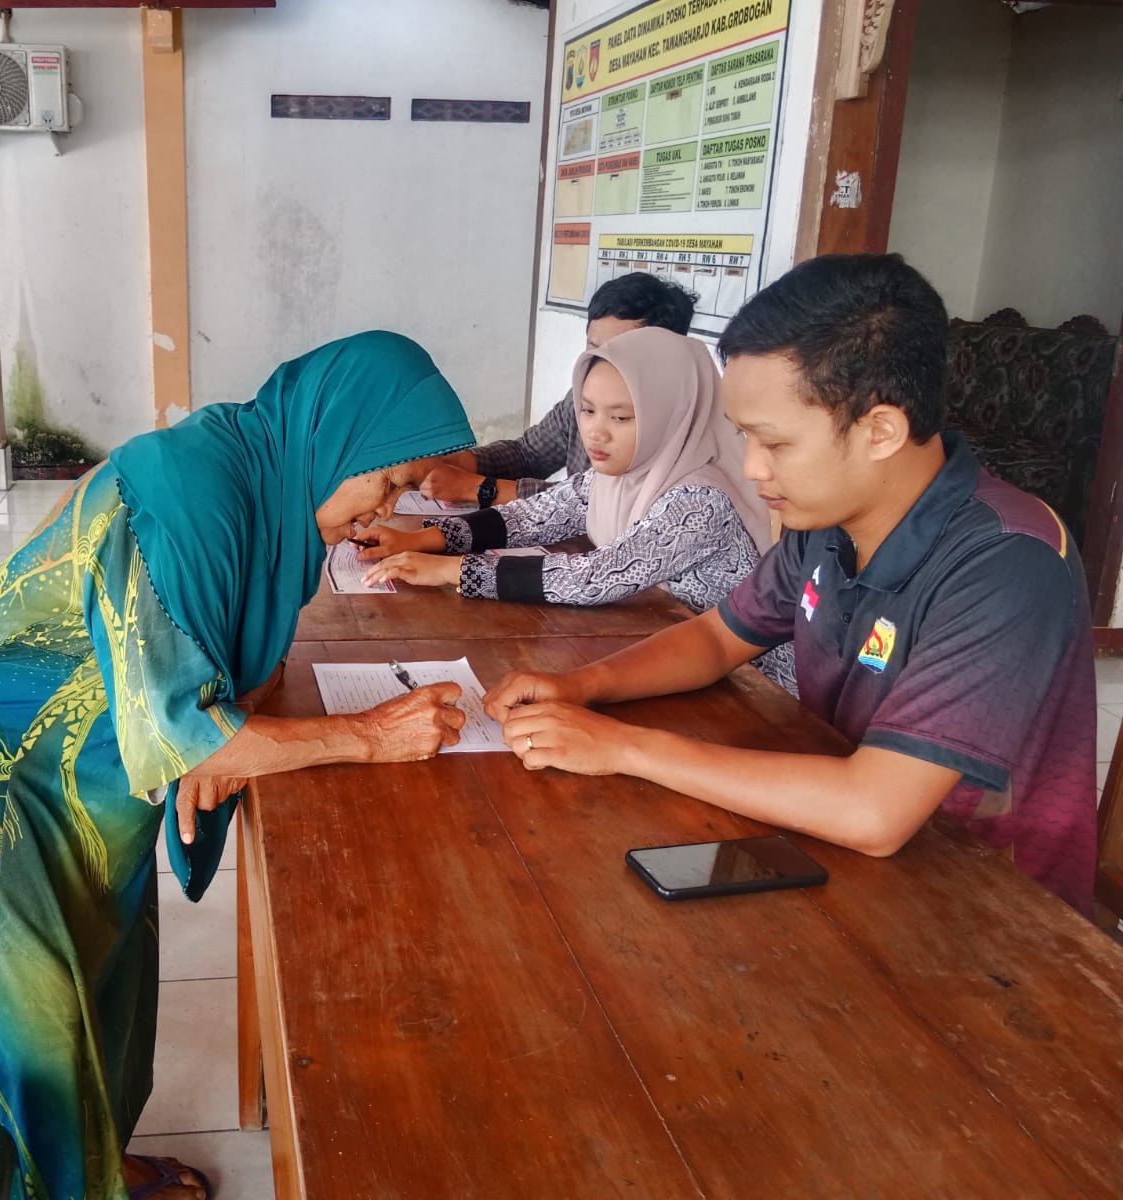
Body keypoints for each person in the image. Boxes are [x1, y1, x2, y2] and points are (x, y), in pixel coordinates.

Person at [0, 331, 474, 1199]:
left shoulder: (272, 478)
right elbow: (190, 733)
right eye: (386, 483)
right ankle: (45, 1187)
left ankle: (96, 1167)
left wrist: (224, 727)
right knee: (34, 995)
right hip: (20, 750)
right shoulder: (195, 493)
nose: (380, 514)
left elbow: (240, 662)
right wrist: (366, 735)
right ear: (340, 435)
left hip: (106, 740)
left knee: (108, 966)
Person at [484, 254, 1098, 914]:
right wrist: (581, 687)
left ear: (880, 430)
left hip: (984, 906)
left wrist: (623, 747)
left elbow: (874, 811)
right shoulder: (827, 520)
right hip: (833, 841)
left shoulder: (1008, 560)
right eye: (745, 437)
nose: (752, 469)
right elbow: (718, 639)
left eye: (774, 444)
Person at [360, 327, 794, 690]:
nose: (595, 433)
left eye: (621, 418)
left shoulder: (700, 501)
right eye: (587, 411)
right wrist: (423, 539)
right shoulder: (618, 477)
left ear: (673, 415)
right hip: (667, 655)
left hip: (756, 692)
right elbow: (532, 516)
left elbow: (594, 577)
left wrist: (451, 570)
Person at [419, 272, 695, 507]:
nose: (598, 363)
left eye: (617, 353)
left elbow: (593, 504)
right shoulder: (580, 397)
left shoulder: (676, 428)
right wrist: (465, 462)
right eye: (593, 348)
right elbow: (529, 454)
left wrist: (482, 489)